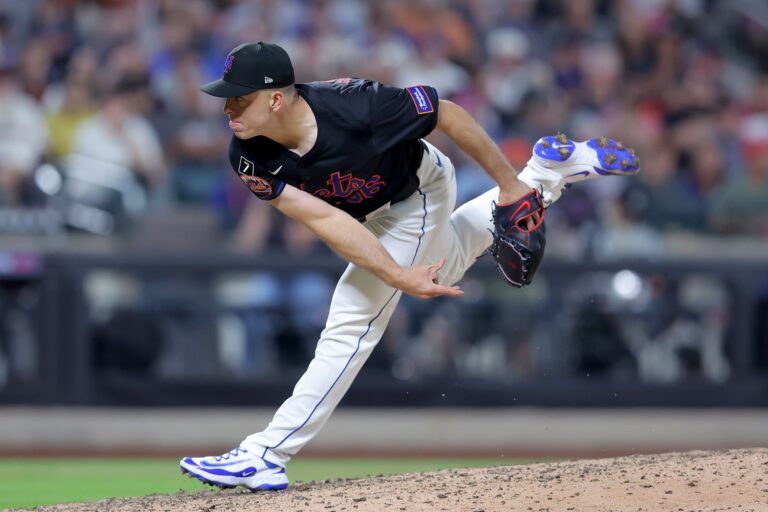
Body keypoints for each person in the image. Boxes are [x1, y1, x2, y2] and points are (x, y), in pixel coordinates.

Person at [180, 42, 639, 491]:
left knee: (352, 319)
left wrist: (509, 187)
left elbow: (448, 114)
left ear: (276, 98)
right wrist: (397, 275)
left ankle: (267, 454)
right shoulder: (247, 155)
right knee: (442, 267)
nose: (227, 108)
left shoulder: (355, 105)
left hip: (418, 191)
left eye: (239, 97)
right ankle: (546, 173)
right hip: (369, 212)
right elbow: (323, 217)